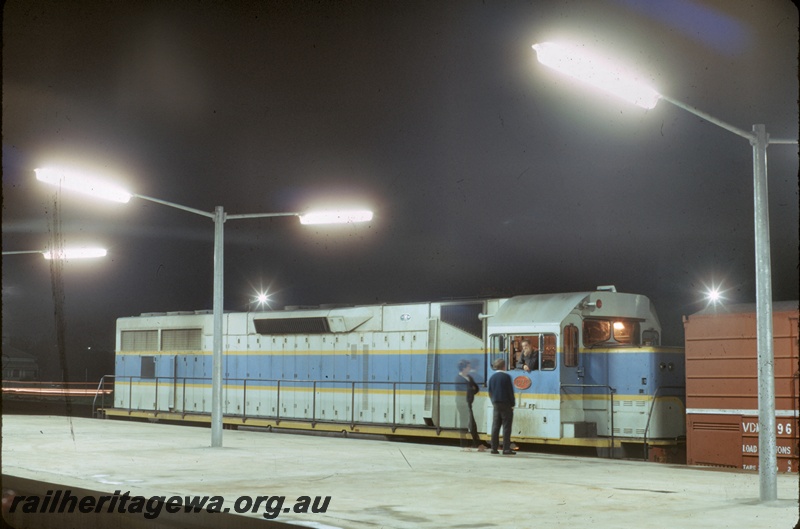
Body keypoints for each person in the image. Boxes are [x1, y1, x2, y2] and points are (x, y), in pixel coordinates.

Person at [454, 360, 488, 451]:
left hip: (468, 402)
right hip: (462, 403)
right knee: (465, 423)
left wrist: (471, 389)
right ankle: (464, 444)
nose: (470, 368)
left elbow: (475, 388)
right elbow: (467, 390)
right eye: (468, 367)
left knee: (472, 423)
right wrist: (471, 389)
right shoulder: (459, 378)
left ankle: (476, 444)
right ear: (463, 368)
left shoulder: (468, 377)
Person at [487, 358, 516, 455]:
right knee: (506, 427)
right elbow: (510, 392)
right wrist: (512, 404)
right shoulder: (506, 377)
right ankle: (506, 448)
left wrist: (493, 402)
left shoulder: (492, 378)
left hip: (496, 403)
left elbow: (490, 392)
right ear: (504, 366)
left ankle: (493, 448)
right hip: (506, 404)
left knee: (495, 426)